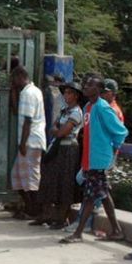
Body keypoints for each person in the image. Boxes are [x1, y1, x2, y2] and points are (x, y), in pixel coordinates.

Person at [60, 74, 129, 244]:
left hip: (98, 160)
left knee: (90, 196)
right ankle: (116, 230)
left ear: (98, 89)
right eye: (85, 84)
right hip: (90, 159)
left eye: (90, 84)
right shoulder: (88, 107)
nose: (85, 86)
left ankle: (78, 232)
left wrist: (113, 150)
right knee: (103, 195)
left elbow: (120, 131)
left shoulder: (102, 107)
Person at [36, 81, 84, 229]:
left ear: (75, 96)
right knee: (50, 179)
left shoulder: (76, 112)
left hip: (69, 150)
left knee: (65, 182)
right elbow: (54, 127)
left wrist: (58, 130)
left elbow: (63, 131)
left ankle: (62, 218)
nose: (66, 95)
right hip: (58, 148)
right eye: (65, 92)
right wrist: (58, 130)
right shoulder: (64, 110)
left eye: (69, 93)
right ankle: (48, 215)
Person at [7, 67, 46, 222]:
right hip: (31, 141)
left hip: (31, 141)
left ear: (21, 77)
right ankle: (31, 208)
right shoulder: (30, 91)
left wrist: (22, 143)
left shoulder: (29, 93)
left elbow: (28, 120)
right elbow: (18, 112)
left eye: (14, 79)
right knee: (18, 177)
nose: (13, 82)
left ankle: (35, 210)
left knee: (30, 179)